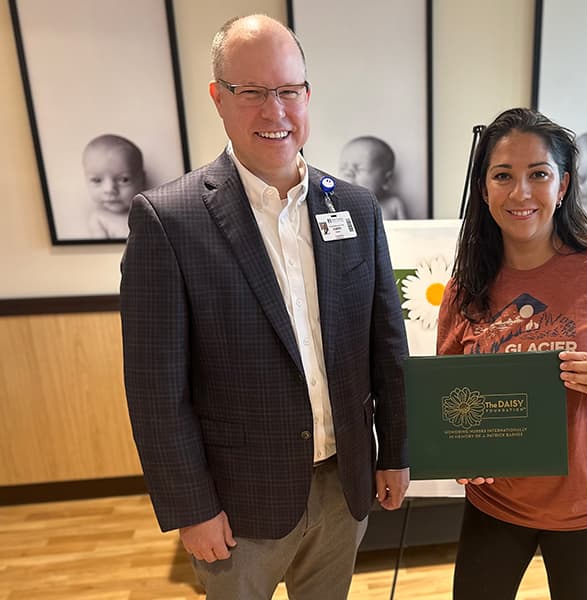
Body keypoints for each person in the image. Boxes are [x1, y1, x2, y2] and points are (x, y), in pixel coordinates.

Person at [119, 14, 410, 600]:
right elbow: (156, 388)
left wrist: (396, 451)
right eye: (250, 92)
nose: (273, 111)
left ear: (307, 95)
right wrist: (189, 506)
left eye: (286, 91)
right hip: (236, 503)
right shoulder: (169, 220)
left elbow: (386, 344)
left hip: (345, 484)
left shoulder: (355, 206)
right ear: (218, 99)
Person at [437, 108, 587, 600]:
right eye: (503, 176)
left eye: (538, 175)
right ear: (483, 189)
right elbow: (448, 392)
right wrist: (460, 447)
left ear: (563, 185)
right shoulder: (466, 285)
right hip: (495, 502)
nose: (520, 193)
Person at [82, 134, 145, 238]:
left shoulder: (148, 214)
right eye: (97, 180)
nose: (109, 189)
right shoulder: (99, 220)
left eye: (124, 180)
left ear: (142, 179)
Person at [338, 135, 407, 220]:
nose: (348, 173)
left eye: (359, 168)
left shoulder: (393, 204)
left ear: (386, 180)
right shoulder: (340, 205)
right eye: (343, 168)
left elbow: (408, 230)